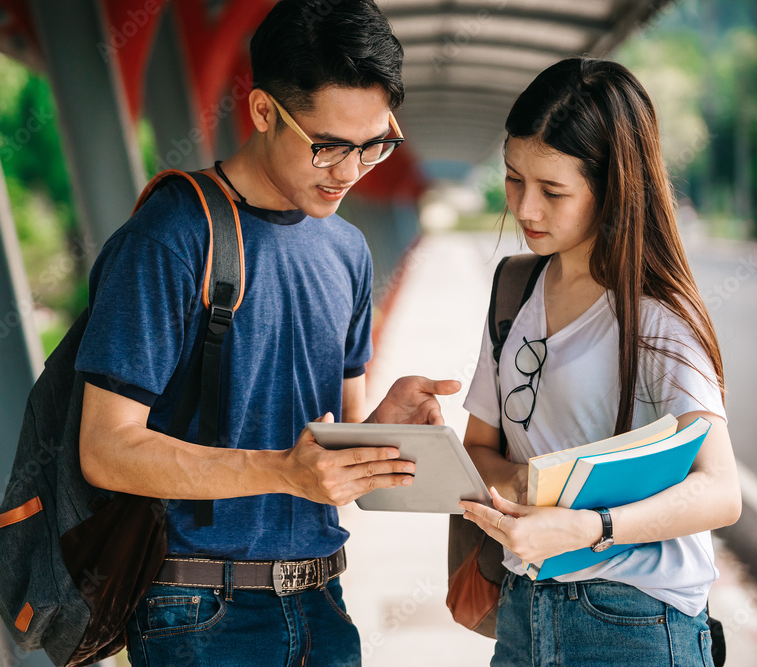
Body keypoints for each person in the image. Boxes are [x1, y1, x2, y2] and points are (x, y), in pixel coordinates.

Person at [75, 1, 460, 664]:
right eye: (329, 145)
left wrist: (381, 430)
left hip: (324, 602)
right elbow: (106, 449)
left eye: (374, 145)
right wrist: (281, 471)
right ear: (260, 112)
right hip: (198, 610)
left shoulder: (348, 249)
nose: (349, 170)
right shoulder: (171, 237)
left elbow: (335, 464)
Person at [458, 57, 742, 666]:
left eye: (552, 191)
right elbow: (480, 446)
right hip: (523, 608)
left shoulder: (657, 318)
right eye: (514, 179)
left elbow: (721, 493)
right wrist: (520, 493)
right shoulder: (515, 292)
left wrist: (588, 527)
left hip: (634, 621)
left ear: (613, 187)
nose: (526, 209)